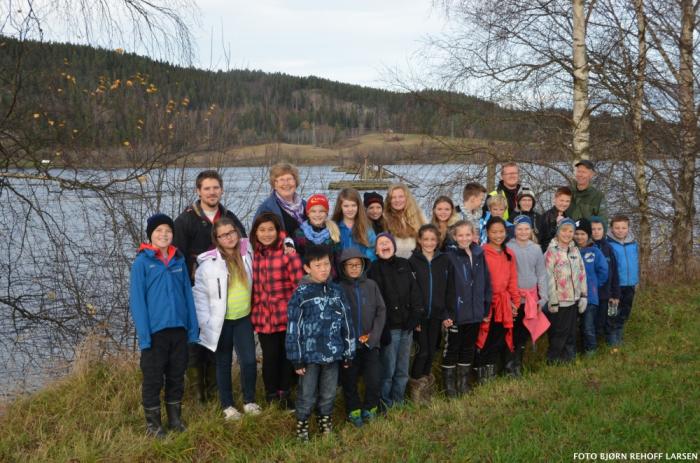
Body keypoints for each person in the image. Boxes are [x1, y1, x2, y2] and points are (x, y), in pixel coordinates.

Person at [173, 170, 246, 403]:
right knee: (195, 342)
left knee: (218, 342)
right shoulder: (185, 220)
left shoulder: (229, 217)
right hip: (196, 291)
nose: (212, 192)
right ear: (198, 191)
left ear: (222, 190)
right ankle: (197, 393)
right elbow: (177, 257)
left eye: (216, 188)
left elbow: (245, 249)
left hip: (224, 294)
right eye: (207, 188)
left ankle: (216, 390)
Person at [129, 213, 199, 438]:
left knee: (177, 375)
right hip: (155, 332)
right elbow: (137, 302)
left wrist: (192, 327)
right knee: (153, 377)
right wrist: (144, 335)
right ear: (151, 235)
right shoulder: (142, 262)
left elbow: (188, 296)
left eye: (167, 231)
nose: (164, 234)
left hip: (178, 329)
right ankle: (153, 424)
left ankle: (175, 419)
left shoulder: (179, 260)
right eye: (158, 231)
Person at [192, 217, 261, 421]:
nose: (228, 237)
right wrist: (205, 323)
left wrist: (289, 244)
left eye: (230, 233)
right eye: (222, 235)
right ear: (217, 239)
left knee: (248, 361)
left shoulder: (248, 253)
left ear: (237, 233)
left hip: (243, 318)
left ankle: (249, 401)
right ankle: (228, 405)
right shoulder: (208, 265)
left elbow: (272, 242)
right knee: (223, 363)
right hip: (221, 322)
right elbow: (200, 297)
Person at [286, 245, 355, 441]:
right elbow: (293, 328)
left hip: (333, 355)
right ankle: (302, 427)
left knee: (329, 393)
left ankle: (325, 423)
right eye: (318, 265)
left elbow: (347, 322)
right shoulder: (301, 294)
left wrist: (348, 352)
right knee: (307, 394)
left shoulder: (337, 291)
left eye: (326, 264)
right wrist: (296, 359)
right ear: (307, 268)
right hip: (309, 358)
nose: (324, 269)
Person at [250, 212, 304, 407]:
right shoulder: (253, 253)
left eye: (270, 229)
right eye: (262, 230)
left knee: (286, 357)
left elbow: (299, 286)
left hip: (285, 315)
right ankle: (271, 394)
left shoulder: (288, 253)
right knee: (270, 357)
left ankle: (285, 393)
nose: (266, 234)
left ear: (278, 230)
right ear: (255, 232)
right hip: (263, 317)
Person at [369, 232, 424, 409]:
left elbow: (415, 291)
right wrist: (380, 327)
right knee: (388, 370)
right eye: (380, 243)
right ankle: (385, 404)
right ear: (376, 250)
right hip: (388, 329)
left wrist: (415, 316)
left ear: (394, 246)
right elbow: (373, 301)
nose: (385, 245)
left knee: (402, 370)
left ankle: (398, 401)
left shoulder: (404, 264)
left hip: (406, 327)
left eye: (388, 242)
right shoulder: (373, 269)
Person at [337, 247, 386, 427]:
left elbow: (381, 311)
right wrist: (343, 340)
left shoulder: (371, 285)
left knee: (374, 379)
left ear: (364, 265)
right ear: (343, 267)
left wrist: (374, 337)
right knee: (349, 381)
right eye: (350, 265)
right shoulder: (339, 288)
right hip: (348, 346)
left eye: (358, 265)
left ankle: (370, 408)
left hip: (370, 344)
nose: (354, 268)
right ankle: (353, 411)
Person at [442, 220, 490, 396]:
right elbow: (444, 287)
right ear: (454, 237)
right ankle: (449, 387)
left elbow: (486, 282)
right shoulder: (449, 256)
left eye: (467, 235)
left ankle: (463, 384)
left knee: (469, 347)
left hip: (475, 312)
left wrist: (485, 307)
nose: (464, 238)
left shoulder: (479, 254)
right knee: (453, 348)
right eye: (460, 235)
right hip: (456, 313)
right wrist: (446, 313)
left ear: (473, 235)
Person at [408, 224, 455, 402]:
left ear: (438, 241)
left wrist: (448, 314)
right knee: (422, 352)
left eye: (432, 239)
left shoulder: (444, 261)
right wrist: (414, 316)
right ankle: (416, 390)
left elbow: (450, 289)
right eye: (425, 239)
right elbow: (411, 292)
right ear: (419, 240)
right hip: (419, 317)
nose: (429, 242)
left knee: (432, 351)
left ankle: (426, 387)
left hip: (437, 314)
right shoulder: (412, 262)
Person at [476, 217, 520, 382]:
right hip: (487, 303)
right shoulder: (481, 252)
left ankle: (493, 372)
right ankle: (482, 375)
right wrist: (482, 305)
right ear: (487, 233)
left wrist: (515, 302)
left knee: (499, 337)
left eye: (501, 231)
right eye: (494, 232)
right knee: (484, 338)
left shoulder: (509, 253)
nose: (498, 235)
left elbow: (512, 280)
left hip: (504, 303)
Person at [506, 215, 548, 377]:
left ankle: (518, 364)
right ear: (514, 230)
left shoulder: (536, 249)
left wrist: (542, 298)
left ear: (531, 230)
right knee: (512, 332)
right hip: (514, 299)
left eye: (526, 228)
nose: (523, 232)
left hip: (531, 299)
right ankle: (508, 365)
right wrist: (510, 298)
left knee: (523, 333)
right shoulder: (509, 248)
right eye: (519, 229)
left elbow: (541, 274)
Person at [544, 218, 587, 364]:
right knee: (559, 333)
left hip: (574, 299)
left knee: (571, 332)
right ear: (558, 231)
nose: (567, 234)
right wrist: (553, 300)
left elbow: (582, 273)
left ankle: (569, 359)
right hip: (559, 301)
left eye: (571, 231)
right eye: (564, 230)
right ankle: (553, 361)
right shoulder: (551, 252)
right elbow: (548, 277)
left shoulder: (575, 250)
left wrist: (583, 295)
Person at [573, 218, 609, 355]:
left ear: (588, 235)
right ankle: (576, 352)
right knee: (575, 326)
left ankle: (591, 352)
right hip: (572, 295)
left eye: (582, 234)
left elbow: (604, 271)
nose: (579, 237)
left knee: (588, 326)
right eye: (576, 233)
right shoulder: (570, 251)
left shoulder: (595, 252)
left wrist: (593, 285)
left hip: (590, 296)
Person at [606, 215, 639, 348]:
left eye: (623, 227)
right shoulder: (608, 244)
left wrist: (636, 281)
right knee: (614, 311)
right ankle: (612, 337)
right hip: (616, 285)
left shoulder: (633, 243)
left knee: (626, 310)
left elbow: (636, 262)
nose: (620, 230)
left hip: (630, 283)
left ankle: (619, 334)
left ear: (628, 228)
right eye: (617, 228)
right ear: (612, 229)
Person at [589, 216, 620, 342]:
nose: (596, 232)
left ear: (604, 230)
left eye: (599, 229)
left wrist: (615, 294)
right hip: (591, 292)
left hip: (606, 293)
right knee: (590, 321)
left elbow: (614, 273)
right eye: (593, 229)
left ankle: (609, 342)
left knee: (607, 318)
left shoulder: (608, 248)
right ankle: (591, 345)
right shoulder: (585, 247)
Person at [254, 162, 306, 236]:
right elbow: (256, 236)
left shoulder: (305, 205)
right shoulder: (266, 208)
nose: (286, 183)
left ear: (295, 182)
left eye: (289, 179)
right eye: (281, 179)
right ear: (274, 185)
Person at [332, 188, 377, 261]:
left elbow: (372, 249)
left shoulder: (366, 227)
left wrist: (365, 264)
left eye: (353, 205)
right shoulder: (334, 228)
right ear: (340, 207)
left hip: (362, 268)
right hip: (340, 269)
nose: (350, 209)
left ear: (358, 206)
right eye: (346, 206)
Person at [383, 183, 427, 258]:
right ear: (389, 200)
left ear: (407, 198)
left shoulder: (419, 216)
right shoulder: (385, 218)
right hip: (394, 264)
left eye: (401, 196)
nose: (397, 200)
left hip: (415, 263)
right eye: (393, 197)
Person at [292, 194, 341, 260]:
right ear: (308, 213)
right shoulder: (299, 233)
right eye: (313, 211)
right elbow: (296, 258)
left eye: (321, 211)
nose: (317, 215)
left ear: (326, 214)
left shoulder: (334, 232)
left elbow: (337, 258)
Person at [538, 186, 573, 253]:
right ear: (555, 199)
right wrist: (556, 225)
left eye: (567, 201)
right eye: (561, 200)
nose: (564, 204)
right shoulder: (545, 217)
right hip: (549, 256)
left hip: (565, 256)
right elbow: (542, 240)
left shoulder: (568, 217)